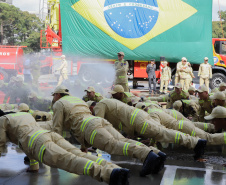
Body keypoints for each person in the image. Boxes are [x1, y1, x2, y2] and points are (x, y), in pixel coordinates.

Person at [50, 85, 165, 176]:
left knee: (113, 145)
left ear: (58, 94)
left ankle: (146, 154)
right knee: (122, 140)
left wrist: (56, 150)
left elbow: (57, 128)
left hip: (89, 128)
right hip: (98, 121)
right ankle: (156, 153)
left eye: (53, 95)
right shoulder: (76, 99)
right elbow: (79, 118)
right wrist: (83, 147)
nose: (52, 98)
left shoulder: (59, 104)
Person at [0, 110, 130, 185]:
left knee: (69, 160)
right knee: (79, 155)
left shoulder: (2, 120)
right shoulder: (23, 115)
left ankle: (109, 174)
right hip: (49, 135)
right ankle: (117, 170)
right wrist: (34, 167)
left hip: (37, 142)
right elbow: (26, 145)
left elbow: (1, 144)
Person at [93, 98, 207, 160]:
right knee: (162, 132)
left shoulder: (100, 105)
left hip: (136, 121)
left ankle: (195, 142)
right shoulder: (108, 104)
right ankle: (194, 142)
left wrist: (92, 143)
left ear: (91, 107)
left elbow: (98, 125)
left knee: (162, 133)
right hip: (138, 119)